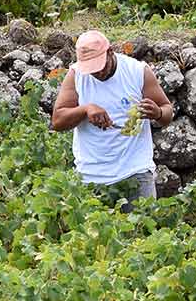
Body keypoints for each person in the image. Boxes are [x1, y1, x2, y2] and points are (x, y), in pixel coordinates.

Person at [50, 29, 173, 202]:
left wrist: (158, 113)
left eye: (100, 67)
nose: (97, 73)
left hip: (135, 172)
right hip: (91, 176)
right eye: (91, 70)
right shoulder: (76, 75)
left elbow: (167, 111)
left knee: (142, 227)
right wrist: (85, 109)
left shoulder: (137, 71)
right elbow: (57, 121)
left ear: (110, 52)